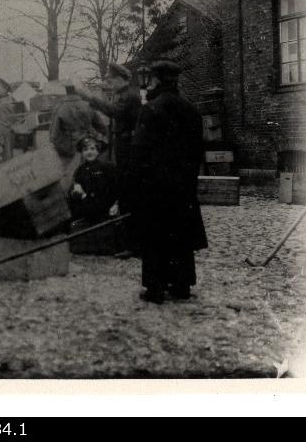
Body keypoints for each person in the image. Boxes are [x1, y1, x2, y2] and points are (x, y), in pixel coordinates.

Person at [130, 60, 207, 304]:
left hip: (155, 186)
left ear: (156, 81)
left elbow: (139, 151)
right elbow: (198, 151)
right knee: (181, 233)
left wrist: (138, 183)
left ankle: (155, 288)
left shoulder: (151, 109)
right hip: (183, 185)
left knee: (155, 235)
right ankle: (182, 285)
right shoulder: (191, 110)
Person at [75, 63, 143, 258]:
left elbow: (115, 112)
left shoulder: (129, 97)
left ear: (121, 79)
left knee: (130, 196)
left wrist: (90, 97)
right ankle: (129, 242)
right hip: (124, 151)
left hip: (130, 153)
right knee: (125, 195)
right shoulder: (123, 95)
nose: (108, 83)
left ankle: (134, 245)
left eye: (110, 80)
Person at [49, 90, 108, 191]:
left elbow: (54, 135)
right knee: (92, 173)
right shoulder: (88, 105)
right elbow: (102, 127)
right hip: (89, 144)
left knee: (72, 177)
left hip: (71, 148)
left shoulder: (60, 108)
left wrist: (63, 149)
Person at [68, 135, 120, 223]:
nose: (89, 152)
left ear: (97, 151)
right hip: (89, 212)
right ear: (82, 153)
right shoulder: (79, 171)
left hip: (108, 209)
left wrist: (116, 204)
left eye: (92, 149)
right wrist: (75, 191)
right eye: (85, 150)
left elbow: (117, 187)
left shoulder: (107, 167)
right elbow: (73, 191)